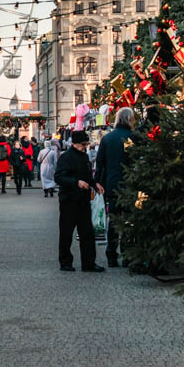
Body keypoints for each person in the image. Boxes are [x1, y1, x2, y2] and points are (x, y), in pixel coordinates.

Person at [53, 130, 105, 273]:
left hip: (83, 200)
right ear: (75, 144)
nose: (85, 146)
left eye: (86, 144)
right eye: (83, 144)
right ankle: (65, 262)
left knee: (87, 233)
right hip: (68, 201)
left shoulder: (84, 157)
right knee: (66, 233)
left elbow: (87, 176)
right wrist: (76, 182)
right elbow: (58, 177)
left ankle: (88, 263)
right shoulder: (66, 158)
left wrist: (95, 184)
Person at [95, 107, 136, 267]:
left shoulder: (107, 138)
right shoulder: (133, 137)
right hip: (130, 184)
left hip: (112, 184)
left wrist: (98, 181)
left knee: (113, 220)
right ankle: (127, 255)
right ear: (130, 119)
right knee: (128, 221)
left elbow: (100, 162)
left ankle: (111, 255)